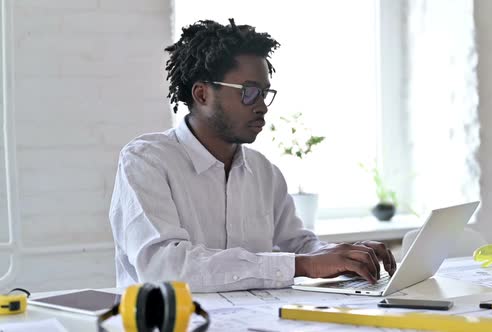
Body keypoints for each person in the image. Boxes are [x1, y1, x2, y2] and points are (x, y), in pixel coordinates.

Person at [109, 18, 396, 292]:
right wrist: (304, 265)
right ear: (202, 94)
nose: (262, 106)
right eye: (249, 92)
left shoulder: (264, 171)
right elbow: (165, 268)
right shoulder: (146, 161)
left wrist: (343, 255)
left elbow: (296, 244)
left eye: (264, 93)